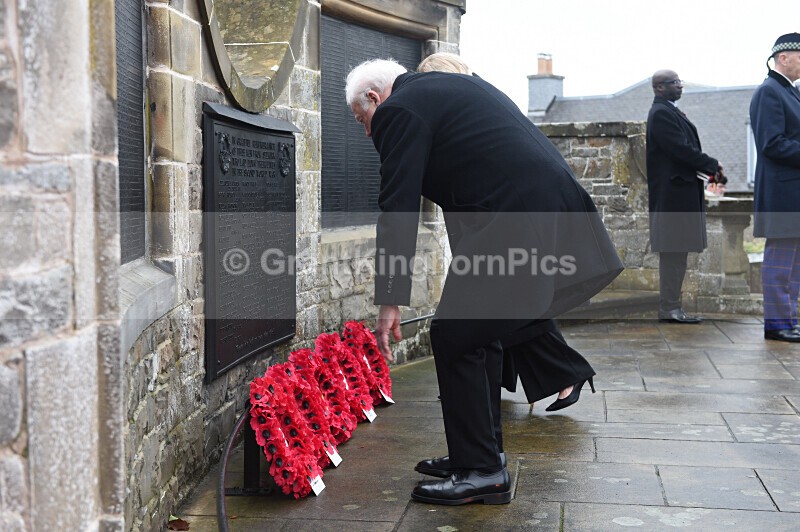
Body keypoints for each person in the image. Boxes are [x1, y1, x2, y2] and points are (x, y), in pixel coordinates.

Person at [344, 58, 622, 505]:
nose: (365, 132)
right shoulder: (438, 91)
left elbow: (397, 206)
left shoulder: (400, 110)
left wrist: (390, 298)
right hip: (534, 212)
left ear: (375, 98)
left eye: (362, 120)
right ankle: (474, 456)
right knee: (479, 334)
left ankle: (482, 471)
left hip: (517, 218)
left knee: (456, 334)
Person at [417, 51, 597, 413]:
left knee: (506, 304)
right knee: (503, 306)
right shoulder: (479, 99)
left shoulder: (466, 103)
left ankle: (563, 372)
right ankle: (487, 381)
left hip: (503, 217)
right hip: (493, 215)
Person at [646, 69, 723, 324]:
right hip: (672, 198)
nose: (680, 86)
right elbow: (681, 150)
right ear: (659, 87)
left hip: (679, 194)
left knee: (678, 254)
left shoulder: (669, 111)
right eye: (674, 83)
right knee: (673, 254)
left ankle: (672, 307)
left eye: (680, 82)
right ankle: (669, 308)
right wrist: (712, 164)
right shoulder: (660, 114)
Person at [749, 33, 800, 343]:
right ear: (784, 57)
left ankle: (788, 321)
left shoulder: (788, 92)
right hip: (782, 194)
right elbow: (771, 144)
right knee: (780, 264)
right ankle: (777, 325)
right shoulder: (769, 92)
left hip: (792, 193)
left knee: (794, 266)